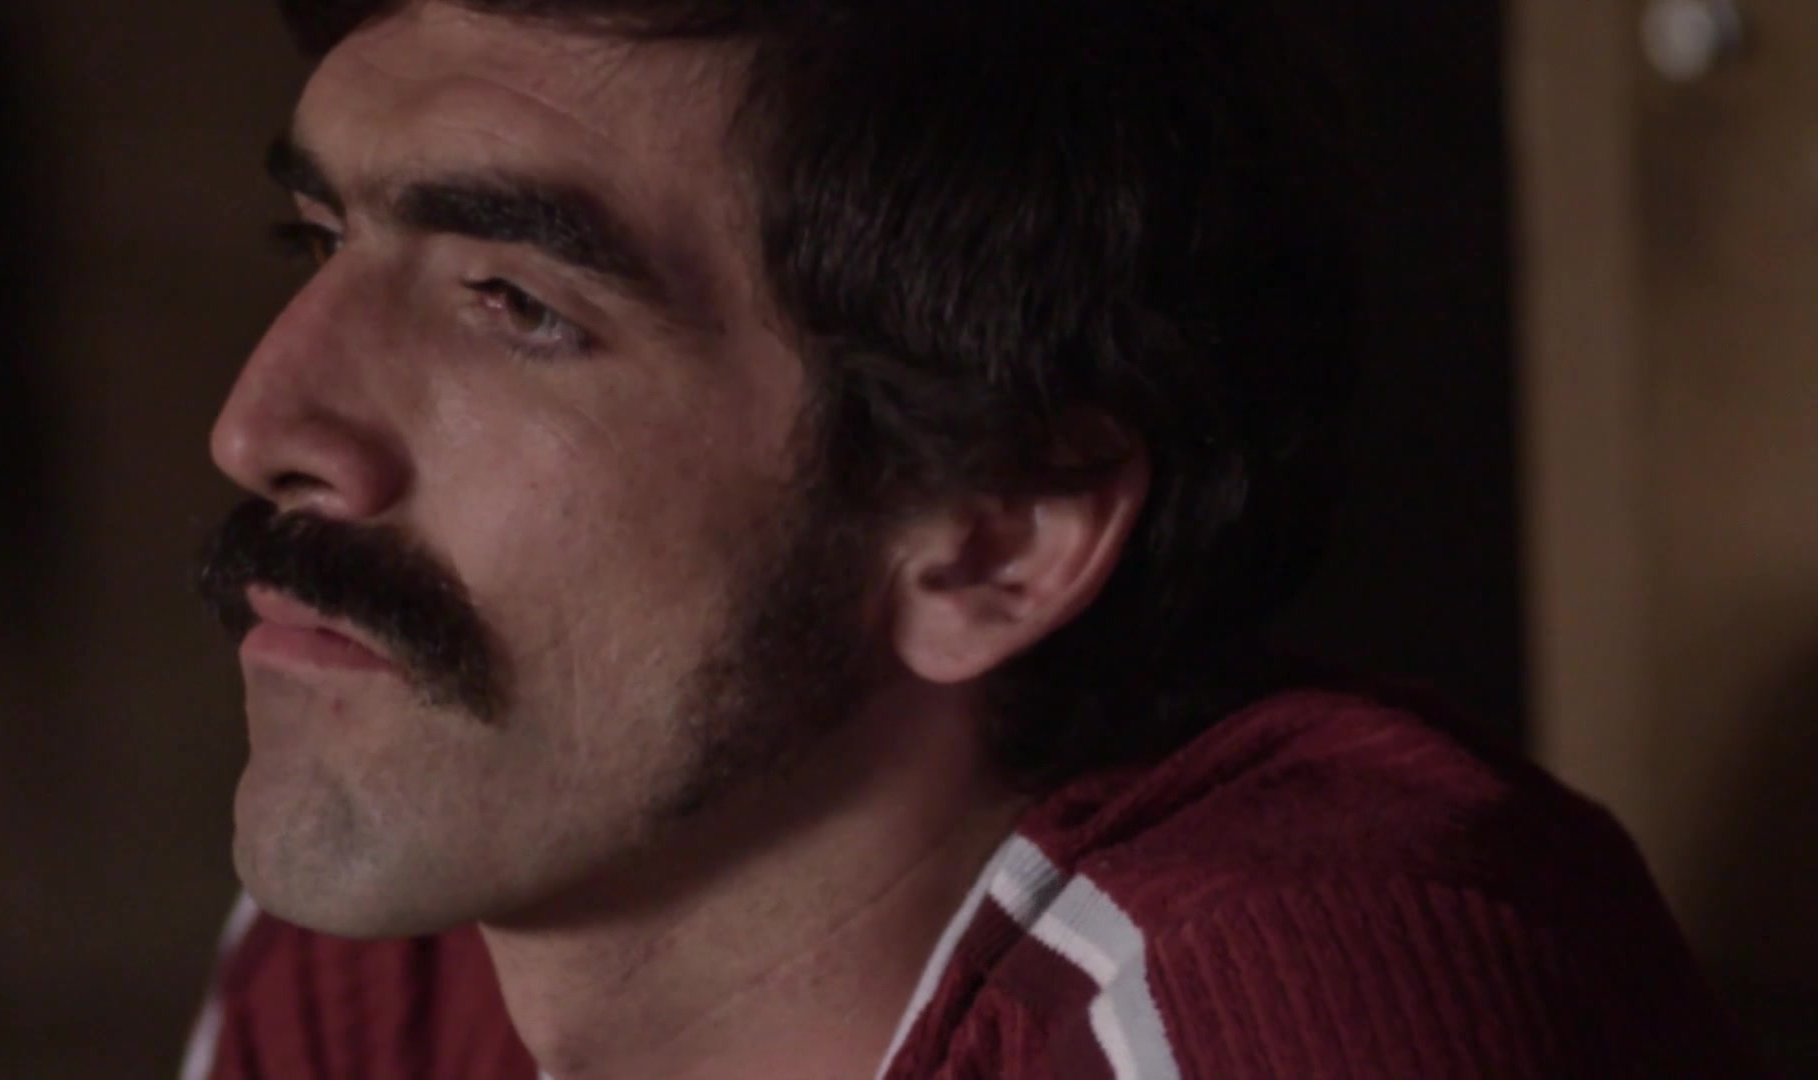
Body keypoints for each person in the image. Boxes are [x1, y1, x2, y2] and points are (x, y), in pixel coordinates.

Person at [184, 1, 1750, 1076]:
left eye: (516, 304)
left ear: (998, 536)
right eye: (319, 241)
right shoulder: (407, 937)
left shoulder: (1275, 1008)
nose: (258, 428)